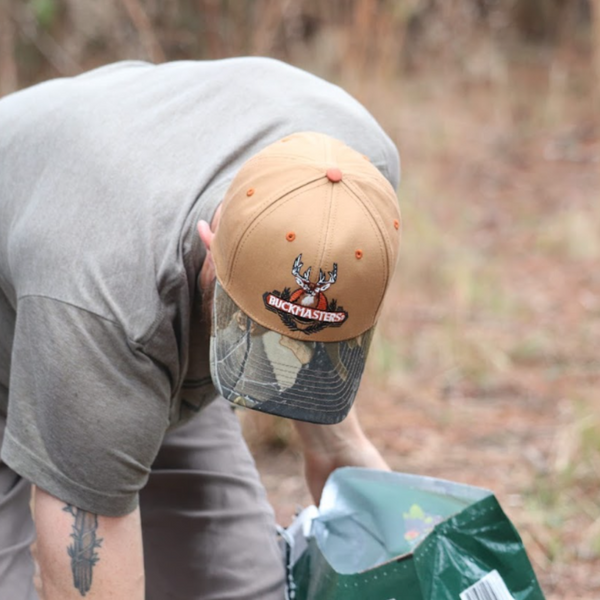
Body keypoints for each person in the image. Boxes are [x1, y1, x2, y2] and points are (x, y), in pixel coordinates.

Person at [0, 57, 401, 599]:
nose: (276, 358)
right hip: (69, 274)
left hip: (134, 301)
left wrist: (336, 446)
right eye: (252, 329)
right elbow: (86, 581)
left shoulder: (362, 183)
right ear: (212, 240)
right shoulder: (107, 294)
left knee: (239, 586)